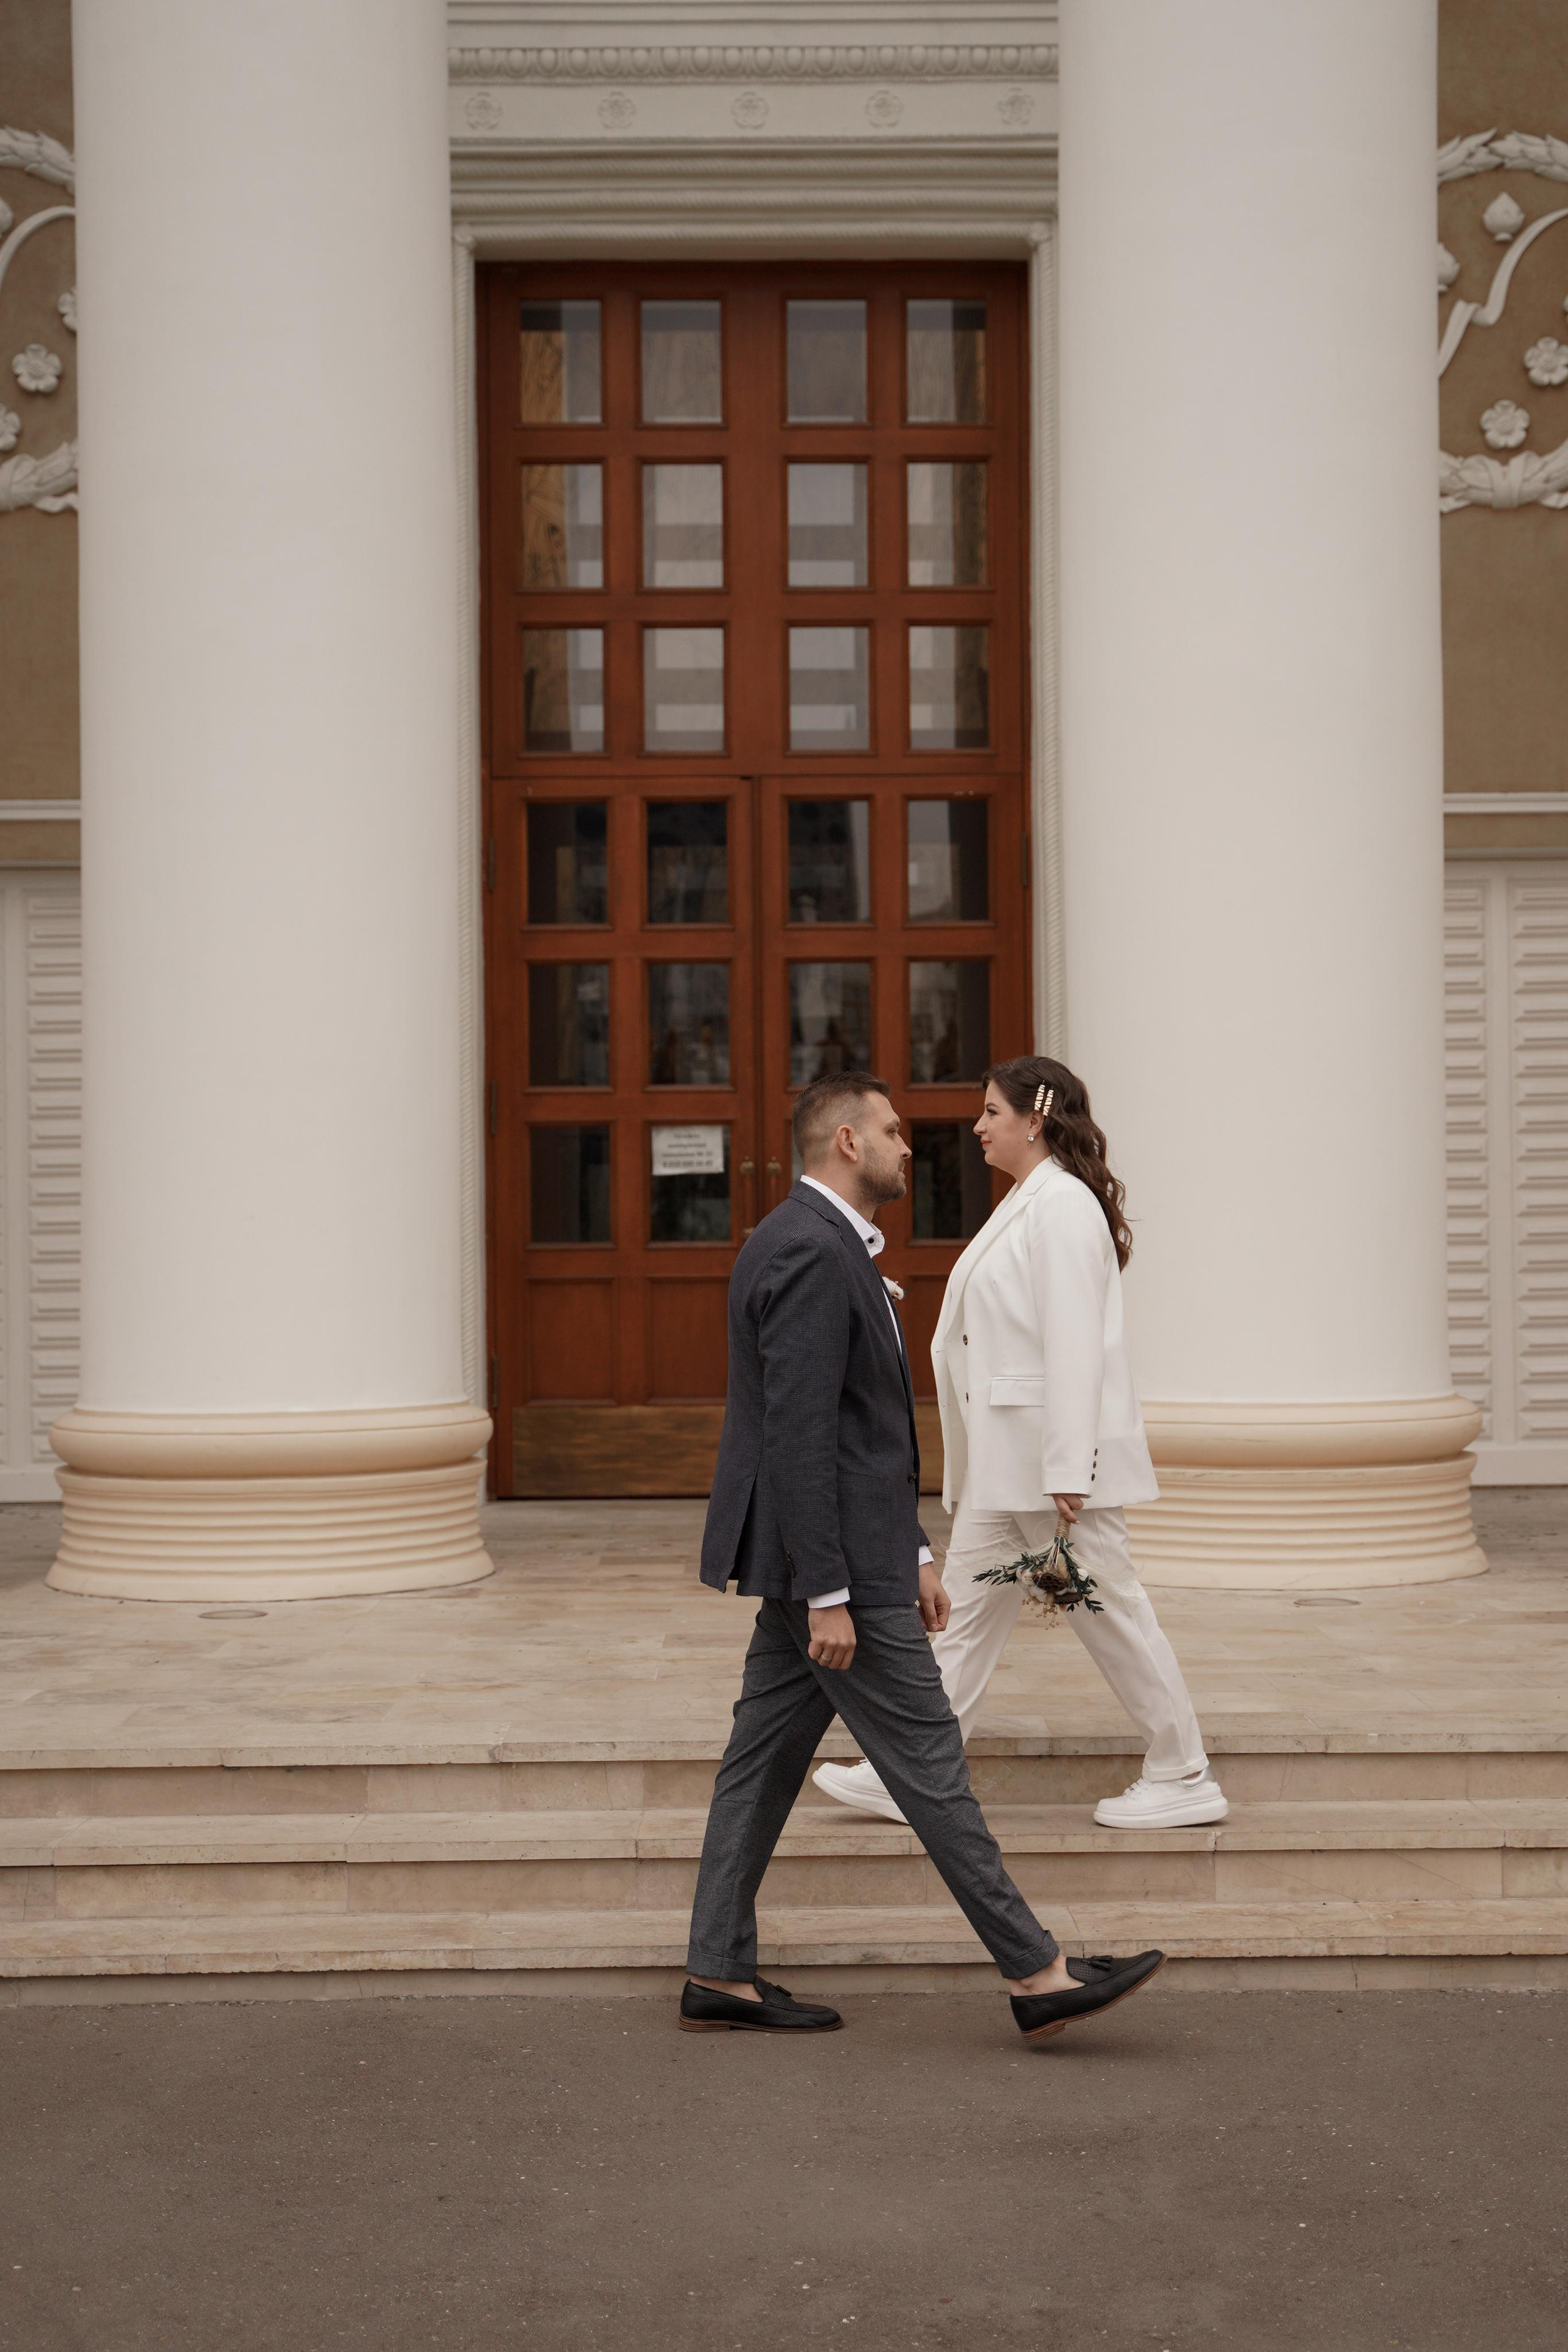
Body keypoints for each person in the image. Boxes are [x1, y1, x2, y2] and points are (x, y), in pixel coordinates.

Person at [681, 1069, 1164, 2041]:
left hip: (846, 1559)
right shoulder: (814, 1254)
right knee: (931, 1761)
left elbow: (859, 1435)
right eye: (895, 1133)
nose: (913, 1146)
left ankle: (717, 1972)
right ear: (849, 1144)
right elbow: (802, 1437)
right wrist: (830, 1591)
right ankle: (1037, 1972)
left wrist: (911, 1547)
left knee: (761, 1763)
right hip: (833, 1577)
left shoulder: (819, 1244)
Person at [814, 1055, 1227, 1833]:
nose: (977, 1127)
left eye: (991, 1113)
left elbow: (1076, 1342)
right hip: (1010, 1469)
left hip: (1047, 1471)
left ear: (1033, 1120)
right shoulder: (1028, 1203)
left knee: (1108, 1611)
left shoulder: (1062, 1207)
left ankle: (1182, 1771)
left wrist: (1069, 1465)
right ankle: (910, 1768)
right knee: (961, 1620)